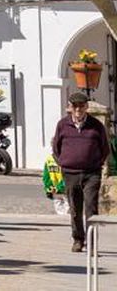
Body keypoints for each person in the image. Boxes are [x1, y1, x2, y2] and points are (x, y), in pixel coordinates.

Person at [53, 90, 111, 253]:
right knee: (75, 209)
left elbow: (105, 149)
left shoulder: (96, 126)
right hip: (70, 173)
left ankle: (92, 243)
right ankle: (78, 239)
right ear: (70, 107)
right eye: (75, 106)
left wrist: (96, 164)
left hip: (91, 173)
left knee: (91, 208)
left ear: (86, 107)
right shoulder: (62, 125)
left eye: (81, 106)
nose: (78, 109)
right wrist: (63, 163)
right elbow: (56, 147)